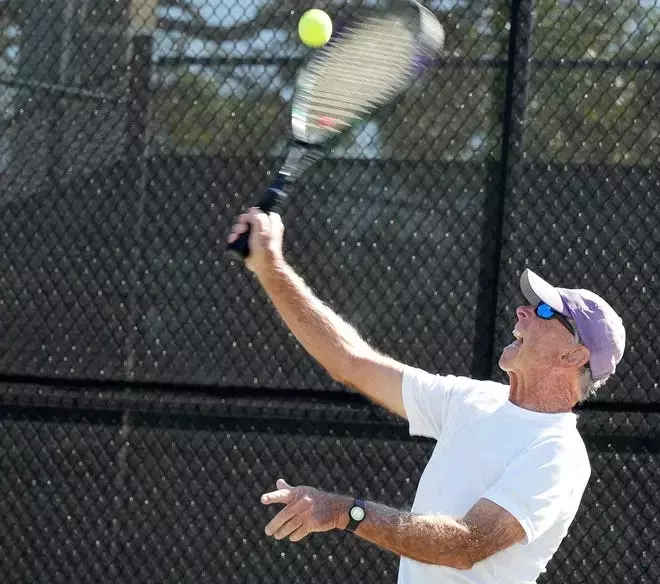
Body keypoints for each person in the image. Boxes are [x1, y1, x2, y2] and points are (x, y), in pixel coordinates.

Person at [227, 208, 626, 583]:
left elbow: (465, 545)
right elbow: (350, 361)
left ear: (574, 356)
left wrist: (346, 512)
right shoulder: (473, 399)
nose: (524, 311)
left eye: (544, 312)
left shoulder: (558, 454)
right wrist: (271, 267)